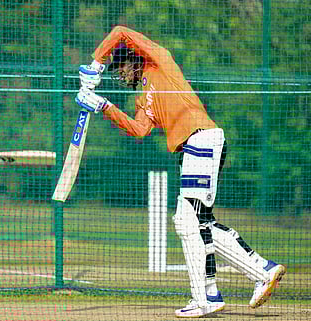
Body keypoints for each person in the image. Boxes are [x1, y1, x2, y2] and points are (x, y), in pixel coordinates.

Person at [75, 25, 286, 318]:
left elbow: (120, 31)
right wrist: (104, 106)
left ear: (134, 59)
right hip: (192, 148)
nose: (119, 74)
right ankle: (247, 276)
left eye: (120, 66)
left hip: (201, 138)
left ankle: (216, 293)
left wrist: (96, 62)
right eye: (113, 70)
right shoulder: (141, 98)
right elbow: (138, 130)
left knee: (189, 221)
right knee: (197, 223)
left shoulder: (160, 61)